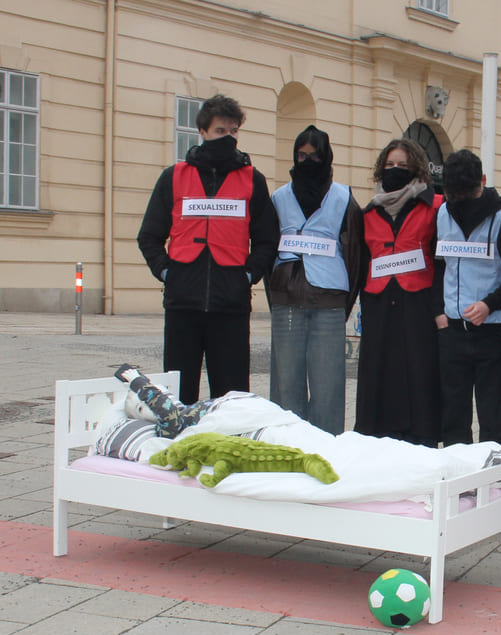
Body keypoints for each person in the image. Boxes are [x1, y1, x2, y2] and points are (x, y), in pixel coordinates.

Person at [137, 94, 278, 405]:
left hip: (231, 305)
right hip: (183, 304)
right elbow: (149, 236)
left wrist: (248, 275)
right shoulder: (174, 177)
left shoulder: (252, 180)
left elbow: (268, 239)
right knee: (178, 397)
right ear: (202, 132)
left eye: (233, 131)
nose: (228, 137)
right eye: (220, 131)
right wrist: (168, 272)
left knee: (231, 398)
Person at [266, 125, 365, 434]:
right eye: (301, 155)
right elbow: (267, 249)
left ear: (326, 157)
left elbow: (355, 256)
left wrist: (343, 302)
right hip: (286, 300)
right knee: (286, 385)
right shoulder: (279, 198)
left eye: (314, 156)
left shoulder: (343, 198)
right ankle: (287, 444)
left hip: (328, 301)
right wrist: (276, 293)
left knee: (328, 387)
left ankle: (325, 446)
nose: (307, 161)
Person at [433, 149, 501, 446]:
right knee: (452, 417)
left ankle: (492, 472)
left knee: (492, 419)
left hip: (493, 333)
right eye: (453, 196)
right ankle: (456, 470)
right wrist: (439, 311)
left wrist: (490, 304)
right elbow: (438, 265)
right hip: (452, 330)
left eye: (465, 195)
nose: (459, 202)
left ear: (483, 181)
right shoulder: (442, 212)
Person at [354, 139, 443, 445]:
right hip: (379, 302)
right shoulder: (369, 212)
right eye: (390, 164)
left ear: (416, 168)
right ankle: (376, 437)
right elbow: (363, 257)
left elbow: (440, 258)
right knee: (379, 371)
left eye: (403, 165)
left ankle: (421, 437)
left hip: (418, 300)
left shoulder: (434, 206)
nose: (395, 170)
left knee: (418, 370)